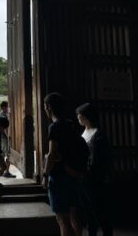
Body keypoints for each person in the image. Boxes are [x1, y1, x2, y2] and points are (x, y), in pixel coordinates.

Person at [42, 92, 84, 236]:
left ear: (48, 107)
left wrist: (45, 175)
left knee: (62, 218)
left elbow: (52, 154)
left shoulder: (54, 127)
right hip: (74, 173)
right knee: (74, 213)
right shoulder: (72, 124)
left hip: (60, 175)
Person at [76, 103, 113, 236]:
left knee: (98, 210)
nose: (77, 117)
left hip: (95, 178)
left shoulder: (99, 134)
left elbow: (102, 158)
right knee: (87, 210)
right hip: (83, 177)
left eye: (79, 114)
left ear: (86, 116)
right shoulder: (84, 131)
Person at [0, 101, 16, 178]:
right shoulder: (3, 116)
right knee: (7, 154)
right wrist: (7, 136)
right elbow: (3, 128)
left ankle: (3, 170)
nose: (8, 108)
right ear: (3, 107)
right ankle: (6, 171)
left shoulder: (2, 115)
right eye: (7, 106)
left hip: (1, 137)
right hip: (4, 138)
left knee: (3, 154)